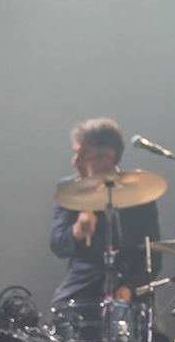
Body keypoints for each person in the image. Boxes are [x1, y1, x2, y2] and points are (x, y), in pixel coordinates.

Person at [49, 117, 160, 318]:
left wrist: (130, 287)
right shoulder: (68, 191)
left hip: (130, 290)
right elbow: (57, 245)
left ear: (107, 155)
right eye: (75, 154)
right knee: (58, 324)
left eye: (82, 155)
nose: (75, 162)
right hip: (82, 288)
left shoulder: (141, 193)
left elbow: (155, 256)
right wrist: (76, 232)